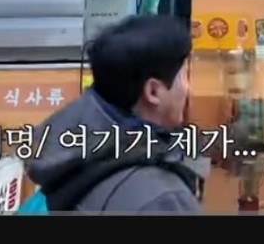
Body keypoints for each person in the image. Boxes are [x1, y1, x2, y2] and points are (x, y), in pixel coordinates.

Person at [26, 15, 207, 212]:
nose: (188, 88)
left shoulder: (73, 157)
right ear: (153, 92)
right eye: (183, 75)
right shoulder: (161, 200)